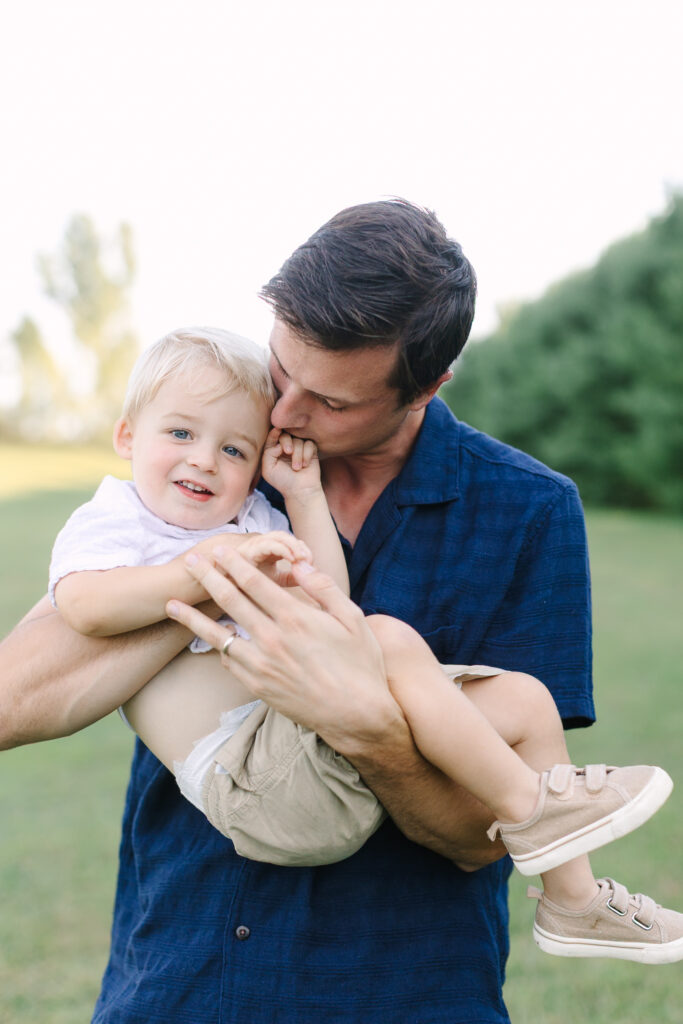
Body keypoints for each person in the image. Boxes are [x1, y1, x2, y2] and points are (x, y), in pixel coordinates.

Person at [0, 199, 676, 1023]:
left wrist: (367, 726)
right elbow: (16, 696)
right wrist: (206, 581)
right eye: (283, 373)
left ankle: (572, 886)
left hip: (402, 991)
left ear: (426, 386)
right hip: (185, 973)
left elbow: (472, 839)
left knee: (505, 699)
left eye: (329, 402)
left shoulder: (526, 512)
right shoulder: (213, 472)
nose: (283, 415)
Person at [47, 325, 681, 924]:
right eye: (180, 434)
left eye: (233, 448)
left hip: (309, 742)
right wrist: (210, 569)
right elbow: (86, 606)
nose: (205, 461)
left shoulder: (248, 518)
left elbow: (331, 605)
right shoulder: (118, 520)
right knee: (389, 637)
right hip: (255, 781)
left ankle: (576, 900)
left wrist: (300, 497)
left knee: (526, 700)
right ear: (127, 436)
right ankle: (530, 806)